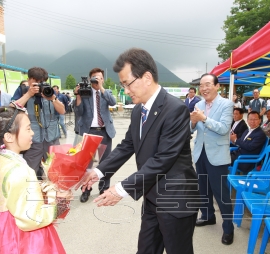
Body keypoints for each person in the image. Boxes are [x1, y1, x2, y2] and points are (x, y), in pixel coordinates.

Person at [82, 48, 200, 253]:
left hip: (175, 200)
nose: (126, 91)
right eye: (122, 85)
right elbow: (127, 145)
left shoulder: (175, 109)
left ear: (147, 77)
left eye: (127, 83)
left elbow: (163, 159)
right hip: (152, 197)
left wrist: (120, 190)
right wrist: (99, 171)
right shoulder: (139, 110)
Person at [0, 106, 71, 254]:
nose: (32, 133)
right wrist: (59, 204)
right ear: (9, 137)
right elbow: (31, 218)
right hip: (17, 237)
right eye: (28, 129)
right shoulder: (20, 171)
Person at [191, 73, 235, 245]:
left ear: (217, 86)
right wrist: (193, 122)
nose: (204, 88)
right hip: (200, 153)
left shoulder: (227, 104)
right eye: (201, 85)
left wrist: (203, 118)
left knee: (221, 193)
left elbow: (224, 129)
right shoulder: (198, 103)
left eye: (208, 84)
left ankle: (228, 228)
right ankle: (208, 216)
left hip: (217, 155)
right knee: (203, 189)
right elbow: (191, 129)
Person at [13, 67, 65, 179]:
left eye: (42, 82)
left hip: (52, 139)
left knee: (56, 173)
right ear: (29, 80)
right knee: (30, 173)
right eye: (36, 82)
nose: (39, 85)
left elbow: (62, 111)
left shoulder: (49, 91)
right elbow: (12, 108)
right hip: (32, 141)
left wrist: (53, 98)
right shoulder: (22, 91)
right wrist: (29, 94)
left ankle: (55, 195)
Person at [75, 67, 116, 202]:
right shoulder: (85, 92)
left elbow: (113, 102)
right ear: (90, 79)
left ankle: (104, 189)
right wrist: (78, 96)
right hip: (89, 132)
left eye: (99, 77)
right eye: (94, 78)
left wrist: (101, 88)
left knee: (106, 163)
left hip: (105, 131)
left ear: (103, 79)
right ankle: (86, 190)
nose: (96, 80)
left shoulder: (106, 92)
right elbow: (79, 112)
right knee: (87, 164)